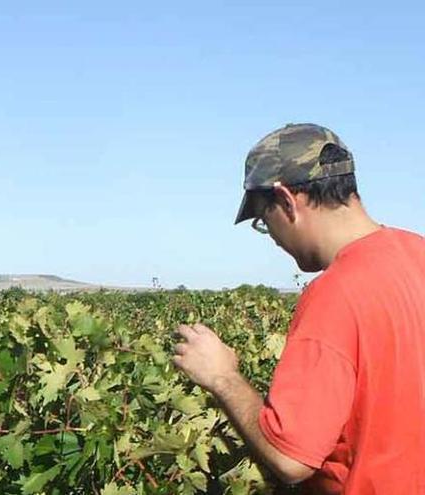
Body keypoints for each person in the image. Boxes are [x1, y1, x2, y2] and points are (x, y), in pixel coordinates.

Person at [172, 123, 425, 493]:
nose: (272, 238)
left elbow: (291, 459)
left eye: (263, 221)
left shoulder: (336, 294)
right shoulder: (418, 254)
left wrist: (221, 376)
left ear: (287, 200)